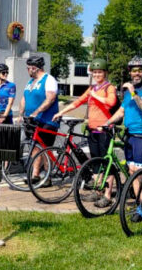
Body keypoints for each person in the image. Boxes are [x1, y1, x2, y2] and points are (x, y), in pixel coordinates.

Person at [54, 58, 117, 207]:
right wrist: (61, 112)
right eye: (94, 72)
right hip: (93, 130)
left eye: (99, 72)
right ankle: (97, 191)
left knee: (106, 162)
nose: (96, 75)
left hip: (105, 131)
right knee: (94, 161)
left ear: (105, 73)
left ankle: (108, 196)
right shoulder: (91, 89)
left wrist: (95, 96)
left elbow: (111, 102)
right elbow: (77, 102)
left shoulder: (109, 88)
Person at [106, 56, 142, 222]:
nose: (137, 73)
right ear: (130, 72)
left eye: (140, 70)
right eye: (134, 70)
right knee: (132, 170)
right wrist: (107, 122)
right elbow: (121, 111)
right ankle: (138, 203)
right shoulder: (128, 93)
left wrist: (134, 93)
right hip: (130, 135)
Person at [18, 55, 59, 183]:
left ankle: (47, 176)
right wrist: (20, 114)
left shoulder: (49, 80)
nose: (27, 70)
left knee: (45, 149)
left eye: (28, 68)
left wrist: (36, 112)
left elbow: (50, 98)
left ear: (35, 68)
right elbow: (24, 98)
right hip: (32, 121)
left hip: (46, 120)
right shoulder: (30, 82)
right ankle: (35, 175)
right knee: (35, 148)